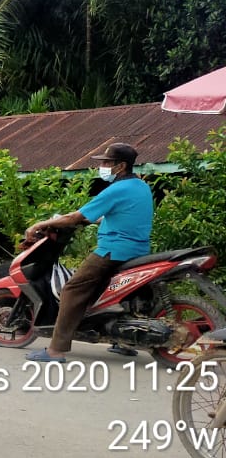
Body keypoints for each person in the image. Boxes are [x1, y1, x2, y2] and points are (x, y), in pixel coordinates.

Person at [23, 143, 153, 362]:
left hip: (114, 250)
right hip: (138, 250)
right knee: (111, 293)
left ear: (120, 166)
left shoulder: (116, 189)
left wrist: (40, 224)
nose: (101, 167)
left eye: (106, 163)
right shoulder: (141, 187)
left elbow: (75, 217)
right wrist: (94, 219)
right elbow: (122, 214)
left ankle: (56, 350)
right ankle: (123, 341)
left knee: (72, 290)